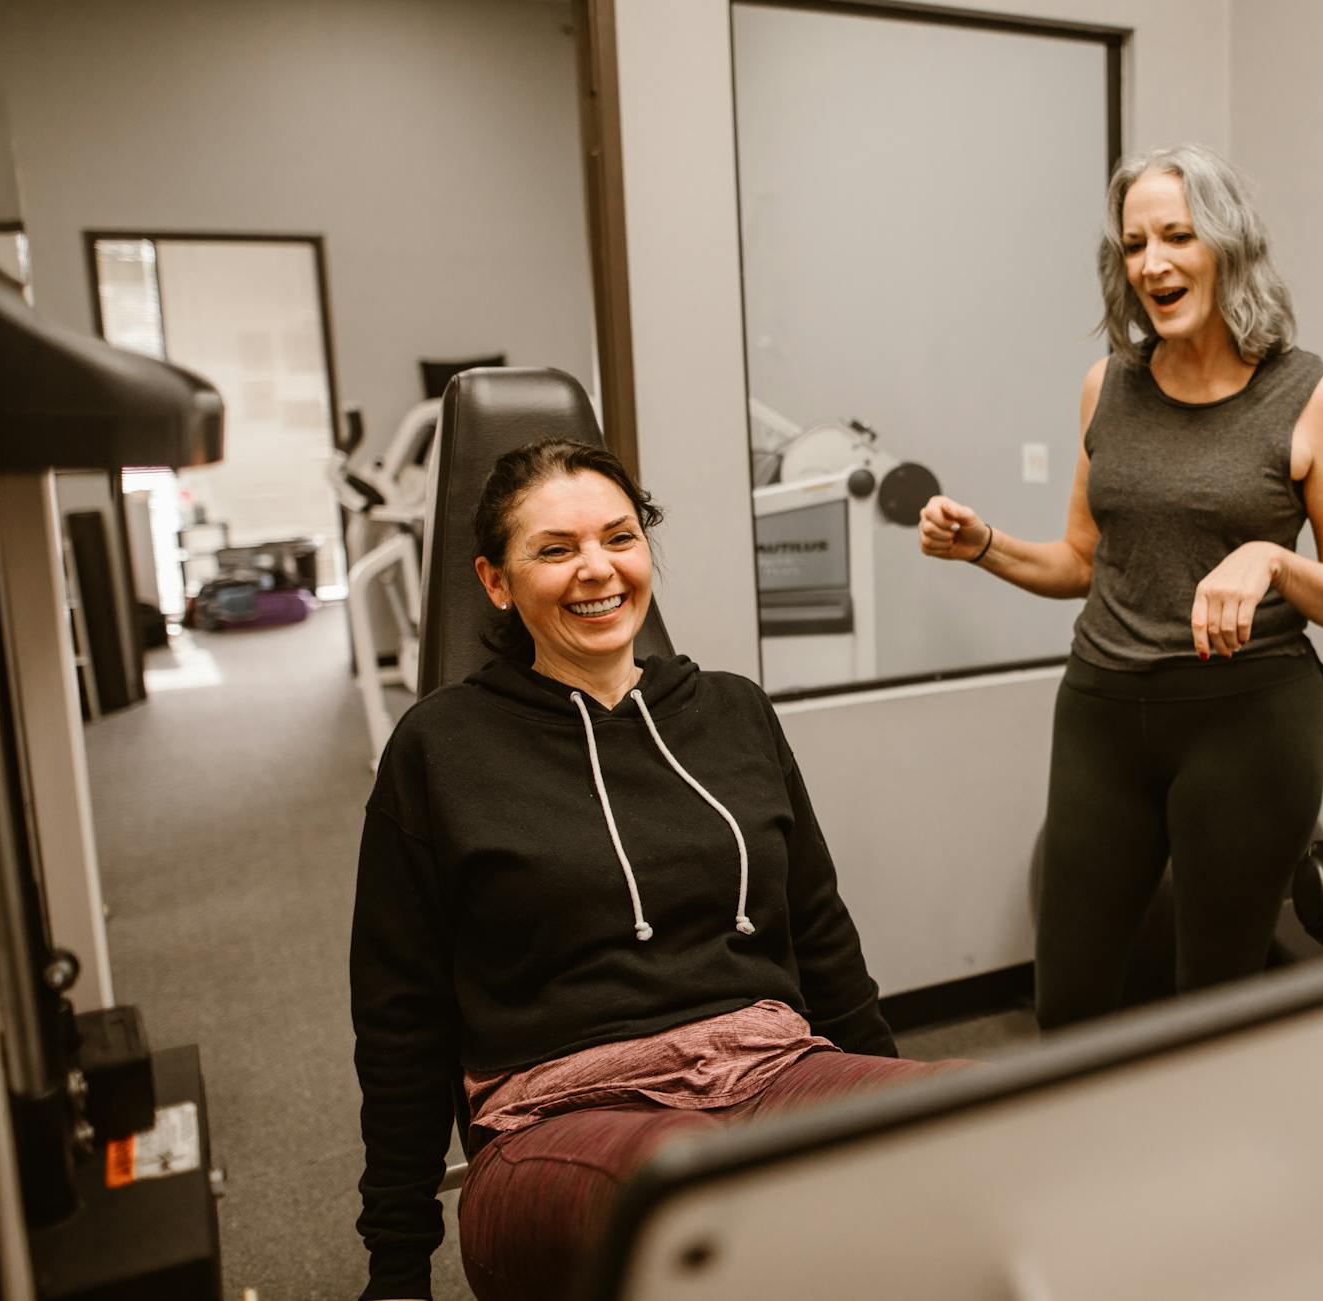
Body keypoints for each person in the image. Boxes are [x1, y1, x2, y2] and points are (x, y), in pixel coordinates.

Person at [351, 437, 962, 1301]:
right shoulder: (439, 750)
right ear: (496, 581)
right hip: (559, 1119)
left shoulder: (733, 712)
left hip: (770, 1069)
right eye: (556, 550)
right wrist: (397, 1272)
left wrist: (896, 1111)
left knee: (985, 1115)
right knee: (701, 1188)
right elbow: (398, 1020)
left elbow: (821, 935)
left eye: (619, 537)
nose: (597, 570)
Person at [920, 143, 1323, 1030]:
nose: (1153, 263)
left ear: (1229, 245)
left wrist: (1273, 559)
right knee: (1070, 1003)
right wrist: (985, 545)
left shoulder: (1313, 395)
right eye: (1135, 244)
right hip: (1102, 713)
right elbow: (1082, 564)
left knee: (1211, 1009)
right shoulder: (1109, 386)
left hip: (1247, 720)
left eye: (1177, 235)